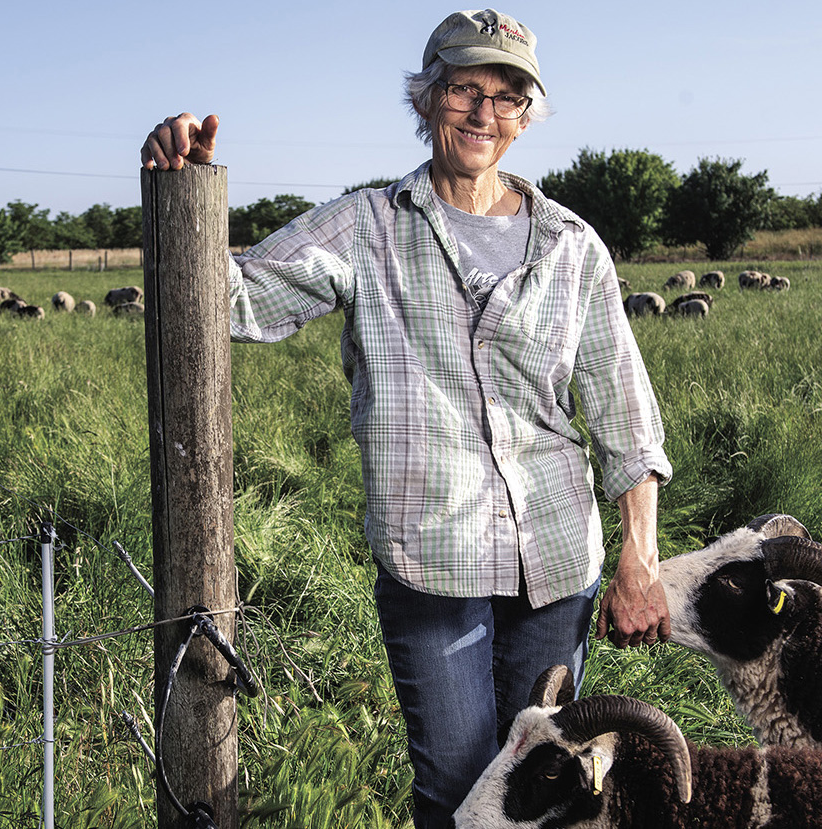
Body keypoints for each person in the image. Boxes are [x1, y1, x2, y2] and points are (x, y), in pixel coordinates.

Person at [142, 8, 672, 827]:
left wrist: (640, 555)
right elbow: (232, 297)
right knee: (458, 791)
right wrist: (183, 188)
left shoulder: (571, 245)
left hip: (559, 566)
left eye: (506, 96)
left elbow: (625, 416)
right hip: (435, 568)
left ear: (526, 115)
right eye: (464, 90)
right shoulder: (367, 226)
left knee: (547, 791)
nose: (484, 113)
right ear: (427, 98)